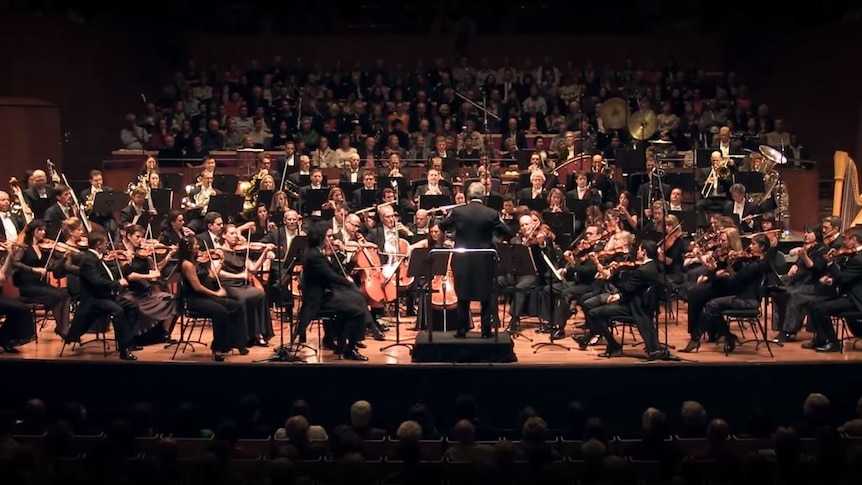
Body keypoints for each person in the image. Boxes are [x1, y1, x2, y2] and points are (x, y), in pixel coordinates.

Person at [438, 182, 512, 338]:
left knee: (462, 294)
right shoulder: (491, 213)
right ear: (483, 196)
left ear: (468, 195)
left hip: (462, 258)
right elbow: (507, 231)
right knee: (486, 294)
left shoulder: (457, 211)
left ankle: (462, 330)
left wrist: (447, 215)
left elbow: (443, 226)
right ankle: (486, 331)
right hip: (484, 260)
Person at [298, 222, 368, 361]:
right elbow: (330, 275)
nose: (331, 239)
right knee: (357, 309)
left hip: (324, 293)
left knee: (356, 300)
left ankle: (345, 346)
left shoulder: (315, 252)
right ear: (321, 238)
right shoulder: (315, 256)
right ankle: (349, 348)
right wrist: (347, 282)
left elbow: (332, 270)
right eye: (328, 237)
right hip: (319, 300)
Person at [65, 232, 140, 361]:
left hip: (104, 296)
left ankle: (128, 341)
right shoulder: (88, 260)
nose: (107, 246)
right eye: (106, 243)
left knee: (133, 307)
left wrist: (127, 265)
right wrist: (118, 284)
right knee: (118, 311)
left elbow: (111, 275)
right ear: (98, 245)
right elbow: (97, 281)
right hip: (94, 299)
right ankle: (124, 350)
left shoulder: (97, 258)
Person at [178, 237, 247, 361]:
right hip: (196, 300)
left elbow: (211, 276)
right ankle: (218, 348)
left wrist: (221, 260)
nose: (199, 247)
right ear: (189, 248)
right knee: (220, 310)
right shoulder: (187, 265)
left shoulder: (197, 261)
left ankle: (238, 343)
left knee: (237, 305)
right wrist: (217, 294)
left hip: (207, 297)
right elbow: (197, 287)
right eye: (196, 245)